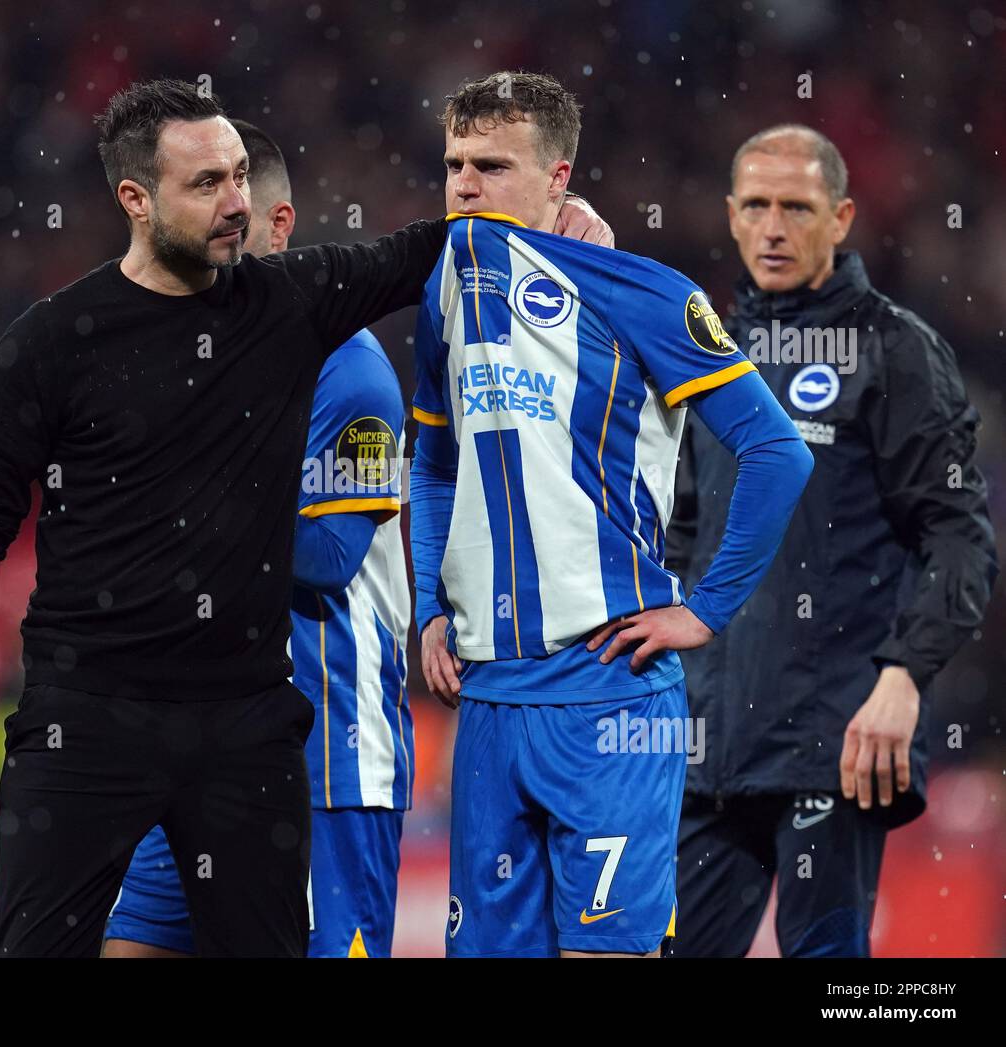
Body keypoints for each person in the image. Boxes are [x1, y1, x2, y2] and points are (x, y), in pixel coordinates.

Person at [0, 79, 452, 959]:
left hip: (242, 727)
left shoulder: (288, 308)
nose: (237, 203)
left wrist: (557, 211)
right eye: (207, 184)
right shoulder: (56, 341)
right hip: (88, 718)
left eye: (242, 178)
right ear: (136, 199)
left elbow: (420, 249)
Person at [410, 72, 814, 958]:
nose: (466, 185)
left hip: (608, 692)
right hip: (485, 699)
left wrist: (705, 610)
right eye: (453, 165)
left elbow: (778, 452)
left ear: (559, 178)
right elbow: (435, 464)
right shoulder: (445, 292)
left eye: (492, 165)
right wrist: (428, 607)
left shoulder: (649, 292)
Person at [666, 124, 998, 958]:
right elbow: (683, 537)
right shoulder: (712, 352)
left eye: (797, 207)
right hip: (709, 746)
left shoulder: (894, 353)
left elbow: (960, 536)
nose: (774, 227)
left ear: (842, 217)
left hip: (837, 742)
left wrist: (903, 676)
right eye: (757, 206)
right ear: (731, 215)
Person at [101, 120, 416, 959]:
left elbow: (327, 558)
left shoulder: (354, 375)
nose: (215, 244)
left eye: (236, 223)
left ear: (278, 228)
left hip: (327, 755)